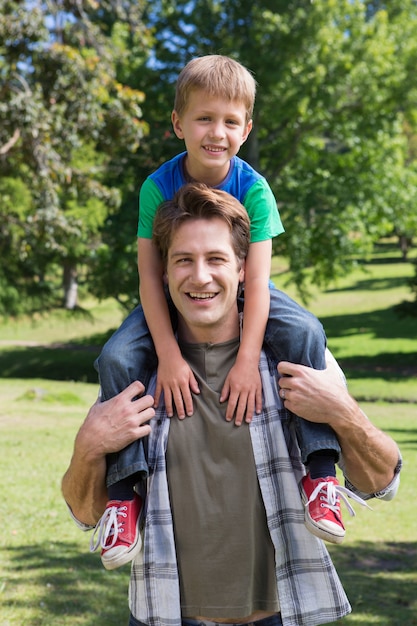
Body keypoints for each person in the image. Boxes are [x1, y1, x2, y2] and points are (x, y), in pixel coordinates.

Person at [63, 183, 402, 626]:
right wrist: (88, 446)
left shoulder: (294, 358)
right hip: (165, 615)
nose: (200, 276)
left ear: (244, 269)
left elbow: (382, 481)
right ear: (163, 274)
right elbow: (87, 513)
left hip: (283, 615)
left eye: (216, 259)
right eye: (183, 260)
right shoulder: (137, 372)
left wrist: (342, 412)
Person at [96, 56, 343, 570]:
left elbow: (256, 281)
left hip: (246, 291)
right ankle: (123, 496)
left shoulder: (254, 190)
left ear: (247, 128)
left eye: (231, 121)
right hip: (172, 294)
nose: (217, 132)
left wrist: (248, 358)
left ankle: (320, 473)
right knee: (116, 357)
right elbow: (148, 278)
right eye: (204, 118)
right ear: (178, 124)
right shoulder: (156, 188)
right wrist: (167, 354)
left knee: (305, 330)